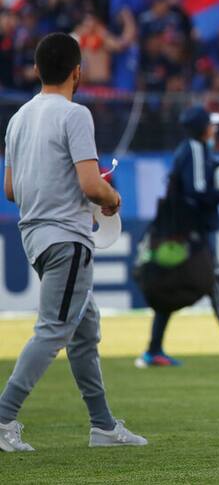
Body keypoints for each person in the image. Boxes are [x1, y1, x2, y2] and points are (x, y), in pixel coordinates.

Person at [0, 33, 146, 451]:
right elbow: (89, 184)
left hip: (35, 237)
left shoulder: (18, 118)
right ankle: (4, 414)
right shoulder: (75, 114)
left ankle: (102, 426)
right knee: (53, 332)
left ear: (36, 69)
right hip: (67, 236)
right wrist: (111, 197)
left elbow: (10, 189)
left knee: (85, 329)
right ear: (77, 71)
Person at [134, 106, 219, 367]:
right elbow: (197, 192)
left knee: (172, 287)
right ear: (202, 128)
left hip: (182, 232)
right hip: (189, 233)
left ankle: (153, 351)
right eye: (211, 124)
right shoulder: (195, 150)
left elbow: (218, 168)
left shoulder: (195, 150)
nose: (215, 128)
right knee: (216, 283)